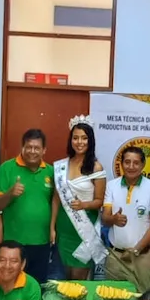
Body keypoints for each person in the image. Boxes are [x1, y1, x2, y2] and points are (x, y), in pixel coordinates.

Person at [0, 128, 55, 283]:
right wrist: (10, 193)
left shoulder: (51, 172)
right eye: (29, 147)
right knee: (11, 287)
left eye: (37, 148)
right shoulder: (5, 169)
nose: (32, 151)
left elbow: (55, 203)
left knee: (38, 287)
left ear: (44, 150)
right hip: (13, 245)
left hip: (42, 243)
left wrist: (53, 229)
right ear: (22, 147)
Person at [50, 118, 107, 280]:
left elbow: (99, 201)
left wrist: (83, 204)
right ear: (70, 140)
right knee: (63, 277)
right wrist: (52, 227)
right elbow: (55, 199)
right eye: (75, 138)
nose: (79, 142)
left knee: (78, 279)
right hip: (64, 227)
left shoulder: (96, 167)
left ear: (90, 140)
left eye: (84, 138)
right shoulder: (62, 166)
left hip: (84, 228)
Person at [101, 145, 150, 284]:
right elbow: (104, 219)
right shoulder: (112, 185)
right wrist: (113, 219)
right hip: (116, 256)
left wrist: (136, 250)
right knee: (113, 298)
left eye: (136, 163)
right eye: (127, 162)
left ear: (143, 165)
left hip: (142, 257)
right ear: (122, 164)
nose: (131, 166)